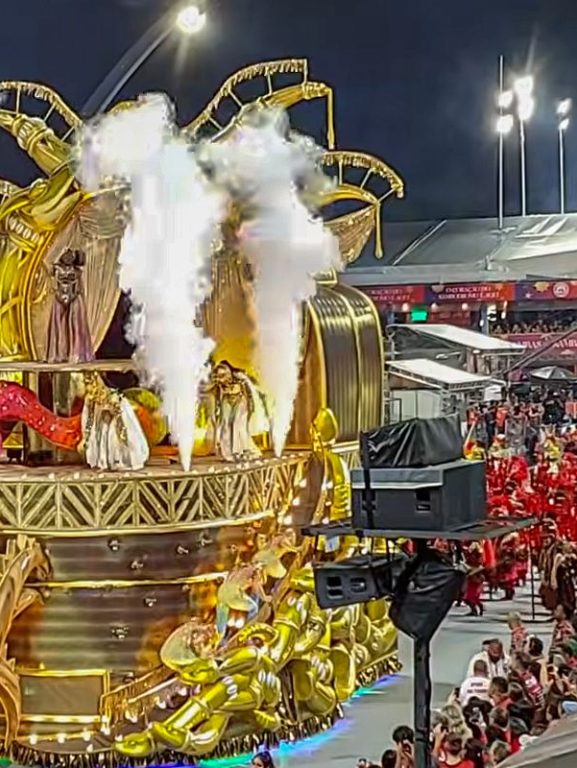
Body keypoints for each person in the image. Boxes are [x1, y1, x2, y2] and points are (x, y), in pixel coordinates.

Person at [46, 247, 94, 363]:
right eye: (66, 255)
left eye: (70, 256)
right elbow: (47, 262)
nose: (68, 258)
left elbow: (79, 287)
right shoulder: (56, 269)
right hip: (59, 297)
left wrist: (74, 297)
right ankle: (57, 354)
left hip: (74, 298)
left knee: (75, 326)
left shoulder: (77, 271)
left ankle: (76, 353)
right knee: (57, 326)